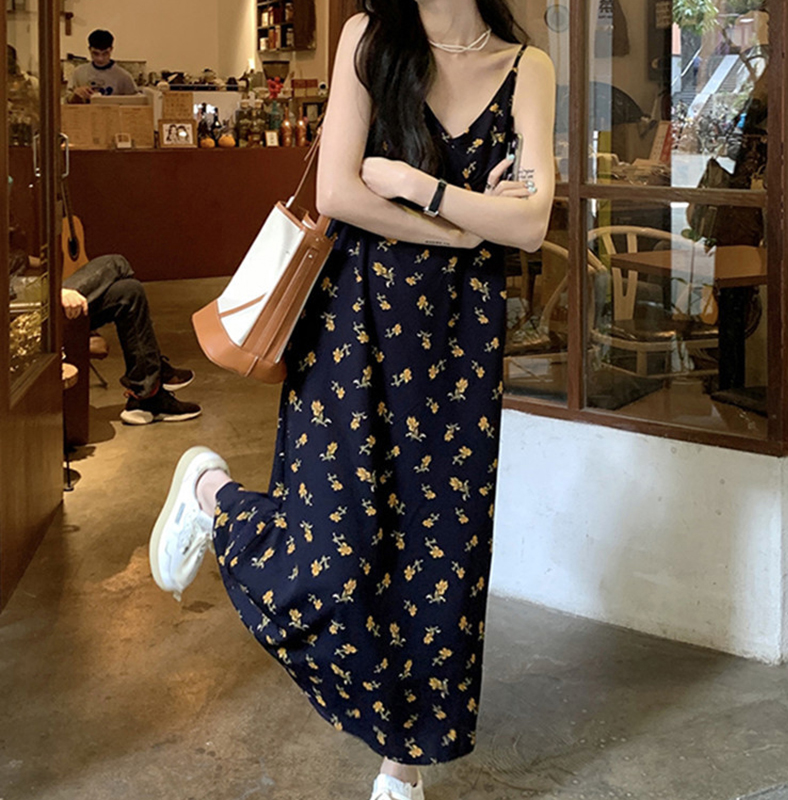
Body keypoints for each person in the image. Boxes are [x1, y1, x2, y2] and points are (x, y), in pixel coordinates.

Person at [149, 1, 555, 798]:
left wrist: (415, 187)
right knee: (332, 560)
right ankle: (212, 496)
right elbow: (338, 191)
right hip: (355, 330)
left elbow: (533, 222)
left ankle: (402, 769)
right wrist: (469, 225)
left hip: (459, 349)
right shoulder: (370, 36)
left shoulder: (525, 67)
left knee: (440, 562)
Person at [61, 255, 202, 424]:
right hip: (41, 316)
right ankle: (155, 376)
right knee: (117, 262)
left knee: (130, 291)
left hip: (45, 304)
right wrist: (62, 292)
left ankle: (147, 395)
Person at [67, 29, 137, 104]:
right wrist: (76, 94)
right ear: (89, 49)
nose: (100, 58)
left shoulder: (124, 77)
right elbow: (67, 101)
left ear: (111, 50)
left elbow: (135, 103)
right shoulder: (78, 73)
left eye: (105, 53)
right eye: (95, 53)